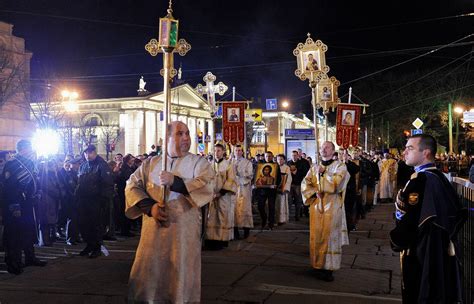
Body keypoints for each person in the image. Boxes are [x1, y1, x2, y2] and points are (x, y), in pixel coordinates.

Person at [125, 121, 214, 303]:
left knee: (179, 277)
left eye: (187, 133)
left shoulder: (199, 163)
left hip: (183, 235)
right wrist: (150, 207)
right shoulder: (150, 164)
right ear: (167, 138)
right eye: (180, 134)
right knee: (148, 276)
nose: (186, 138)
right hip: (153, 233)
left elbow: (207, 185)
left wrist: (177, 182)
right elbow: (132, 185)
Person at [390, 134, 466, 303]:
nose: (404, 152)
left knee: (416, 293)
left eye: (410, 148)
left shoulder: (421, 180)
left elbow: (411, 220)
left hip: (420, 253)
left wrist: (396, 240)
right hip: (438, 251)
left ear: (425, 152)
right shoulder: (439, 177)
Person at [301, 141, 350, 282]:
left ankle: (329, 268)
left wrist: (324, 173)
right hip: (317, 207)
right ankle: (317, 265)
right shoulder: (314, 167)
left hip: (332, 206)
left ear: (333, 150)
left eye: (327, 147)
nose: (324, 149)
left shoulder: (340, 166)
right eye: (322, 147)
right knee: (317, 236)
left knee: (329, 237)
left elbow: (337, 185)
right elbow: (306, 183)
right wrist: (314, 191)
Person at [1, 140, 47, 274]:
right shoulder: (11, 164)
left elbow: (35, 180)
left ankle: (30, 257)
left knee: (28, 231)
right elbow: (9, 187)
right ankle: (13, 262)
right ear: (22, 149)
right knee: (14, 235)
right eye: (29, 148)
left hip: (28, 203)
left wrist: (37, 192)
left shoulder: (30, 163)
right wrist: (15, 206)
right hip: (16, 204)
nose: (31, 150)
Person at [76, 144, 114, 258]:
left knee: (96, 225)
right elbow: (79, 182)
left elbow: (107, 183)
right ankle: (89, 245)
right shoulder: (83, 166)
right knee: (85, 224)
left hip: (96, 200)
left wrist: (104, 200)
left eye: (90, 152)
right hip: (84, 200)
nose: (88, 155)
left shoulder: (102, 165)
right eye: (86, 153)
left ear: (95, 152)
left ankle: (97, 247)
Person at [205, 144, 237, 249]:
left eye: (218, 150)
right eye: (215, 151)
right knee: (212, 217)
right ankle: (212, 238)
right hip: (212, 195)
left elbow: (231, 180)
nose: (216, 153)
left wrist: (221, 192)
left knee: (223, 217)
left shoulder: (228, 165)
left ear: (223, 152)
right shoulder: (210, 165)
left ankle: (223, 239)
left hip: (224, 196)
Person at [254, 151, 281, 230]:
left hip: (272, 191)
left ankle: (271, 223)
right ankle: (264, 219)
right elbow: (255, 177)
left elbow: (278, 178)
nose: (268, 158)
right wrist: (256, 184)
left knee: (271, 207)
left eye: (269, 156)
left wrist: (276, 185)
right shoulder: (259, 165)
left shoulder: (276, 166)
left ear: (272, 157)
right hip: (261, 191)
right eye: (266, 156)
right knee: (260, 206)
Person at [232, 145, 254, 239]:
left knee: (245, 208)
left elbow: (250, 175)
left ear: (242, 152)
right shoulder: (230, 162)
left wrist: (239, 172)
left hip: (244, 188)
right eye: (236, 150)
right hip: (233, 189)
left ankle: (246, 229)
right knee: (234, 209)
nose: (238, 152)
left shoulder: (247, 162)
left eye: (240, 150)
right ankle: (235, 231)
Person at [287, 150, 306, 221]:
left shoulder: (301, 163)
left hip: (298, 184)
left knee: (298, 201)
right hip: (290, 184)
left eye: (295, 155)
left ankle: (297, 216)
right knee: (289, 201)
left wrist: (297, 172)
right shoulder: (288, 163)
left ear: (298, 156)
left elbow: (305, 173)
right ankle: (287, 216)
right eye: (292, 155)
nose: (294, 157)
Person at [276, 154, 291, 225]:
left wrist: (285, 188)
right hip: (274, 189)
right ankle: (275, 219)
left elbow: (289, 179)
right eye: (278, 159)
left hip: (282, 189)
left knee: (282, 204)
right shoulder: (275, 167)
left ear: (284, 160)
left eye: (281, 159)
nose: (279, 161)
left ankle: (282, 219)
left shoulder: (286, 168)